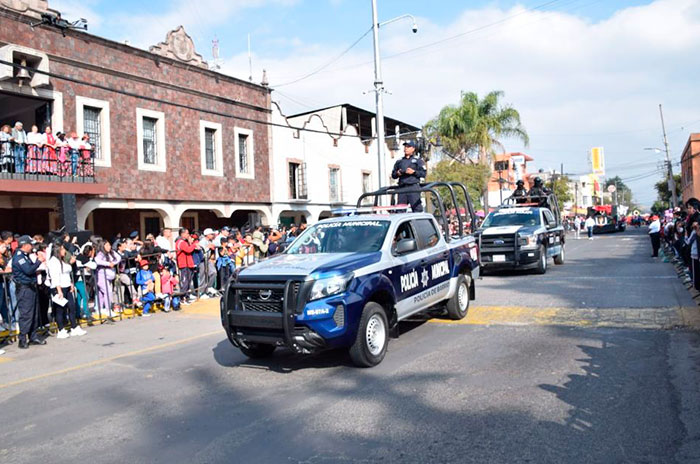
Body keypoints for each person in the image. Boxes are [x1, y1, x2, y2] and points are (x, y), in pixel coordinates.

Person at [11, 235, 47, 349]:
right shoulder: (19, 257)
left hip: (30, 287)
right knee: (26, 314)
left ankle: (33, 336)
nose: (32, 246)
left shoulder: (25, 256)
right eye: (30, 244)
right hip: (24, 289)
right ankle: (22, 339)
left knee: (34, 313)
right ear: (25, 245)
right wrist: (38, 261)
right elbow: (28, 270)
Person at [47, 242, 87, 338]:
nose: (64, 251)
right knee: (60, 309)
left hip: (67, 285)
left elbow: (67, 273)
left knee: (72, 306)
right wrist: (59, 290)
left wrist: (71, 284)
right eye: (62, 249)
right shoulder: (53, 261)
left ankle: (74, 327)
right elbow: (55, 276)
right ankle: (61, 329)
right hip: (58, 287)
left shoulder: (63, 260)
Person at [391, 140, 427, 212]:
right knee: (400, 210)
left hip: (413, 187)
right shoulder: (399, 161)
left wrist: (414, 172)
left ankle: (418, 223)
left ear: (413, 149)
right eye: (405, 146)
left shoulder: (418, 160)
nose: (406, 148)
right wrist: (398, 173)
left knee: (417, 209)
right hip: (402, 188)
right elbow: (393, 175)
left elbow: (423, 173)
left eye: (408, 146)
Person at [94, 240, 121, 317]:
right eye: (107, 245)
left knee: (102, 293)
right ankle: (108, 310)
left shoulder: (112, 252)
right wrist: (108, 264)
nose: (109, 247)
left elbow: (118, 257)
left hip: (109, 276)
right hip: (101, 275)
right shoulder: (101, 254)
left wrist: (113, 263)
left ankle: (99, 308)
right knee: (108, 291)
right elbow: (97, 260)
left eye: (109, 245)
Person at [175, 228, 197, 304]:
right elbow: (188, 250)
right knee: (185, 282)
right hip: (184, 264)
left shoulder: (184, 242)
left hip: (188, 263)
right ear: (182, 234)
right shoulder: (181, 242)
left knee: (188, 281)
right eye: (187, 233)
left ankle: (187, 296)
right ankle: (182, 298)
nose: (188, 235)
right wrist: (194, 245)